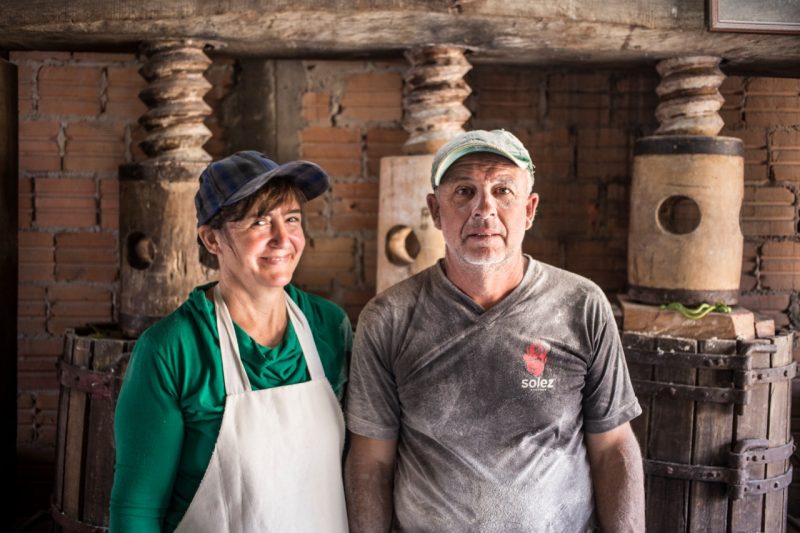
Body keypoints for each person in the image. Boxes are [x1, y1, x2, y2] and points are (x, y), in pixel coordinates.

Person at [344, 130, 645, 532]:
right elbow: (372, 460)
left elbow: (613, 447)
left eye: (503, 191)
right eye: (464, 192)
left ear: (529, 209)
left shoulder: (581, 305)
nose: (484, 209)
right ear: (435, 211)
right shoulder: (389, 319)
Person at [110, 151, 351, 532]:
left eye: (291, 219)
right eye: (260, 221)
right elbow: (137, 511)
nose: (283, 239)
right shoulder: (172, 348)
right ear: (212, 239)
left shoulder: (329, 327)